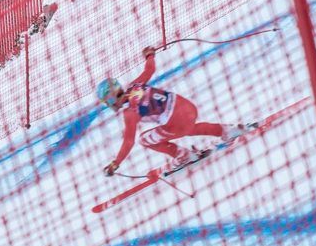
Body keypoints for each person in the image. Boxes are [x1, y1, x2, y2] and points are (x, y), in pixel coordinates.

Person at [98, 46, 230, 176]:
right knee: (189, 128)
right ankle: (226, 130)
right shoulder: (134, 85)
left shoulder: (129, 112)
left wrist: (116, 163)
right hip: (188, 107)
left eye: (107, 101)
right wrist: (150, 55)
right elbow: (150, 70)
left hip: (177, 122)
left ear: (111, 99)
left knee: (144, 140)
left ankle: (184, 156)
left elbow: (128, 142)